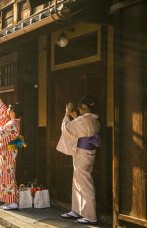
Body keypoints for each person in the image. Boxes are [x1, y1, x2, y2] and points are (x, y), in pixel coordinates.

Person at [56, 95, 101, 225]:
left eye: (81, 108)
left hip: (82, 154)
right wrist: (76, 118)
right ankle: (76, 210)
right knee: (78, 180)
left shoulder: (83, 120)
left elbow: (66, 128)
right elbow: (80, 129)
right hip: (89, 152)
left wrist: (66, 113)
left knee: (85, 182)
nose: (80, 110)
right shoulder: (94, 119)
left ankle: (90, 216)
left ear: (85, 108)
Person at [0, 89, 21, 210]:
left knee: (8, 176)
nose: (7, 111)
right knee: (5, 176)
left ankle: (12, 202)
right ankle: (9, 200)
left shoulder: (13, 125)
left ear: (13, 112)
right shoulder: (13, 122)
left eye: (9, 109)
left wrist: (0, 128)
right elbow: (3, 107)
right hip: (8, 152)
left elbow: (0, 134)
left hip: (9, 153)